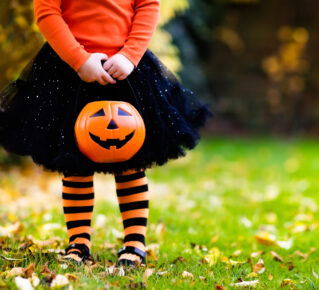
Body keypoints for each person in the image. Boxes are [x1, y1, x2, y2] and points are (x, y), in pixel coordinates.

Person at [0, 0, 212, 266]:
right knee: (74, 162)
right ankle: (78, 242)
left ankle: (135, 243)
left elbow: (147, 6)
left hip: (125, 69)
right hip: (69, 70)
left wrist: (129, 56)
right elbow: (47, 13)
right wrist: (80, 60)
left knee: (131, 160)